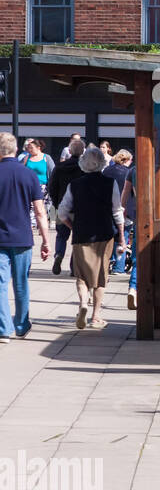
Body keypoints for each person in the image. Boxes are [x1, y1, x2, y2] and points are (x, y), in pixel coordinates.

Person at [56, 144, 124, 330]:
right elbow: (117, 211)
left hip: (81, 233)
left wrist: (73, 225)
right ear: (102, 163)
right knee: (102, 276)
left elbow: (62, 213)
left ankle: (83, 304)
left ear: (83, 164)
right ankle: (96, 316)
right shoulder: (111, 184)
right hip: (104, 233)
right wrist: (122, 238)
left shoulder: (74, 185)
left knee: (81, 275)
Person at [0, 133, 52, 342]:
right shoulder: (28, 174)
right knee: (21, 283)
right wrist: (46, 240)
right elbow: (40, 212)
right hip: (22, 236)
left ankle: (4, 328)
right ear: (15, 150)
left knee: (1, 284)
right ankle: (21, 325)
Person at [122, 140, 160, 311]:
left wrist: (123, 213)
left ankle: (133, 288)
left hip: (140, 218)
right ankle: (154, 292)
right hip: (158, 219)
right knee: (158, 257)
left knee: (138, 256)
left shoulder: (133, 171)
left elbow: (125, 194)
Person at [47, 139, 86, 276]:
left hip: (59, 207)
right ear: (82, 151)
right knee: (78, 236)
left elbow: (51, 187)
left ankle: (59, 254)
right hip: (79, 207)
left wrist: (56, 203)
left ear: (69, 151)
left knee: (61, 235)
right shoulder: (84, 168)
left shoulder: (59, 167)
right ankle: (74, 267)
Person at [104, 150, 132, 274]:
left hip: (107, 207)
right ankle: (119, 267)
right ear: (125, 160)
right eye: (130, 160)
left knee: (109, 236)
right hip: (123, 208)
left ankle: (107, 262)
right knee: (123, 236)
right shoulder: (128, 173)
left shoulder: (106, 171)